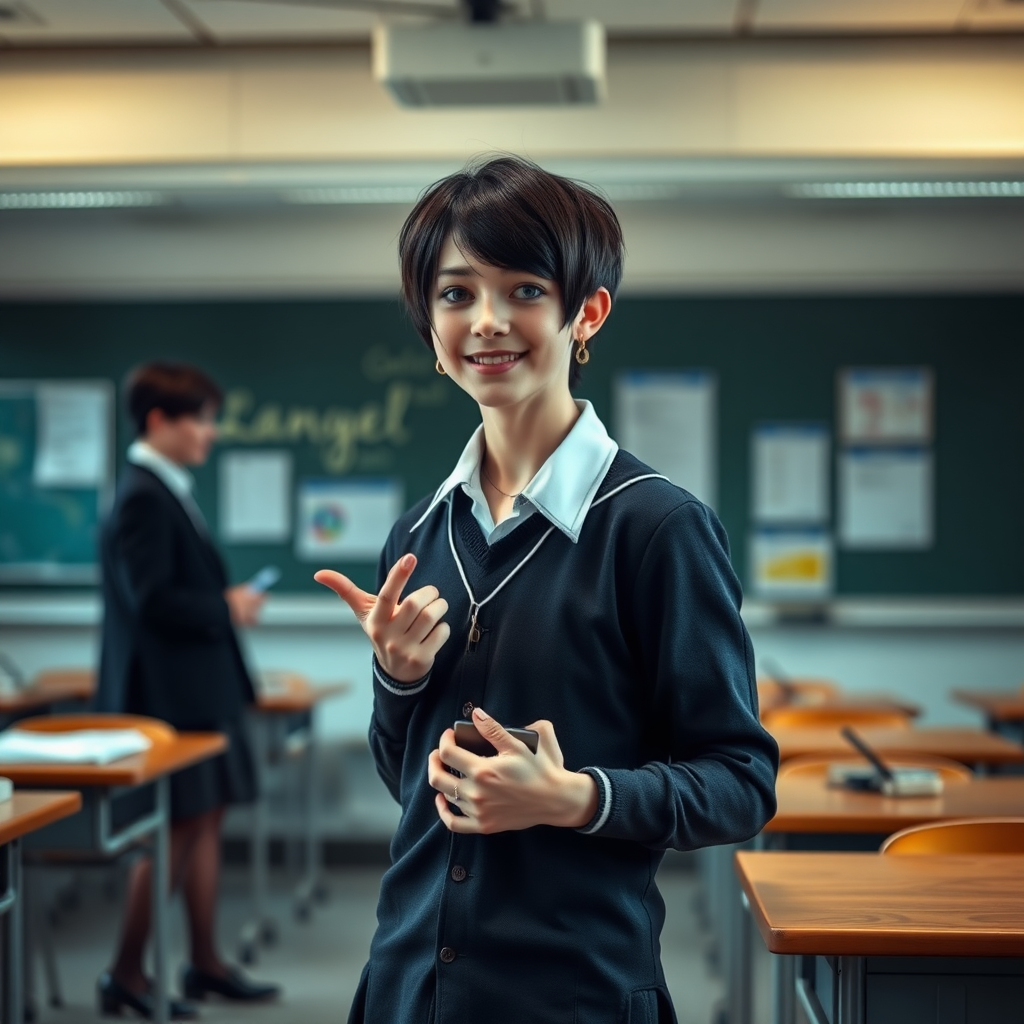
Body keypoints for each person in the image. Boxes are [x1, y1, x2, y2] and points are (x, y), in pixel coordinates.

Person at [316, 156, 779, 1024]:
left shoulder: (656, 527)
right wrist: (398, 682)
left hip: (576, 990)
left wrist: (577, 797)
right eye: (455, 295)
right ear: (429, 325)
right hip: (408, 983)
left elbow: (740, 782)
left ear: (585, 312)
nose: (486, 322)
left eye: (524, 289)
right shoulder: (418, 535)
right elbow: (410, 783)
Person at [95, 361, 280, 1020]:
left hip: (198, 690)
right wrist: (224, 604)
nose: (211, 432)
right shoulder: (143, 494)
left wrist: (219, 606)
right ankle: (125, 972)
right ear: (157, 421)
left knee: (205, 820)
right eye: (199, 419)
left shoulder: (165, 487)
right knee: (172, 829)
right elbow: (153, 601)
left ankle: (203, 961)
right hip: (170, 698)